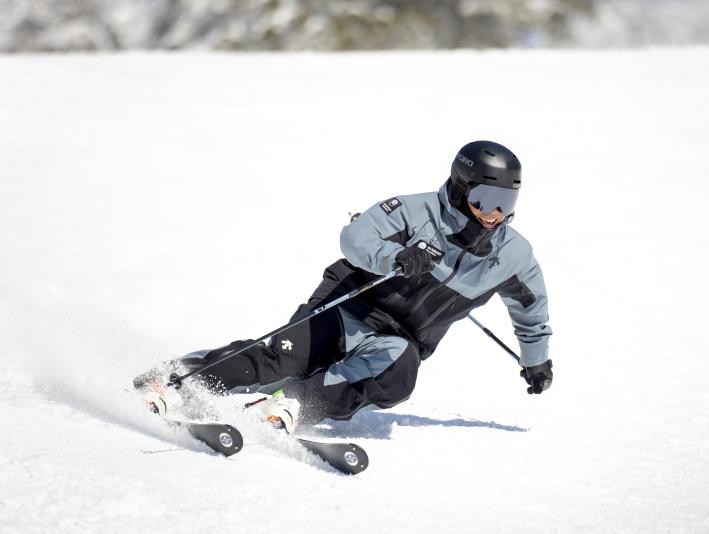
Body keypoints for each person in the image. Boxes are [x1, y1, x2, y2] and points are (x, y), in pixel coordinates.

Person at [136, 140, 553, 432]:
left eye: (506, 203)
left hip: (397, 338)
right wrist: (395, 257)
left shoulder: (513, 255)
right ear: (462, 188)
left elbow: (532, 309)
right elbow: (355, 238)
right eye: (484, 199)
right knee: (281, 362)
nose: (493, 214)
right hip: (345, 309)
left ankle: (297, 404)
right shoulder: (413, 210)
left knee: (398, 375)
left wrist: (536, 359)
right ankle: (181, 378)